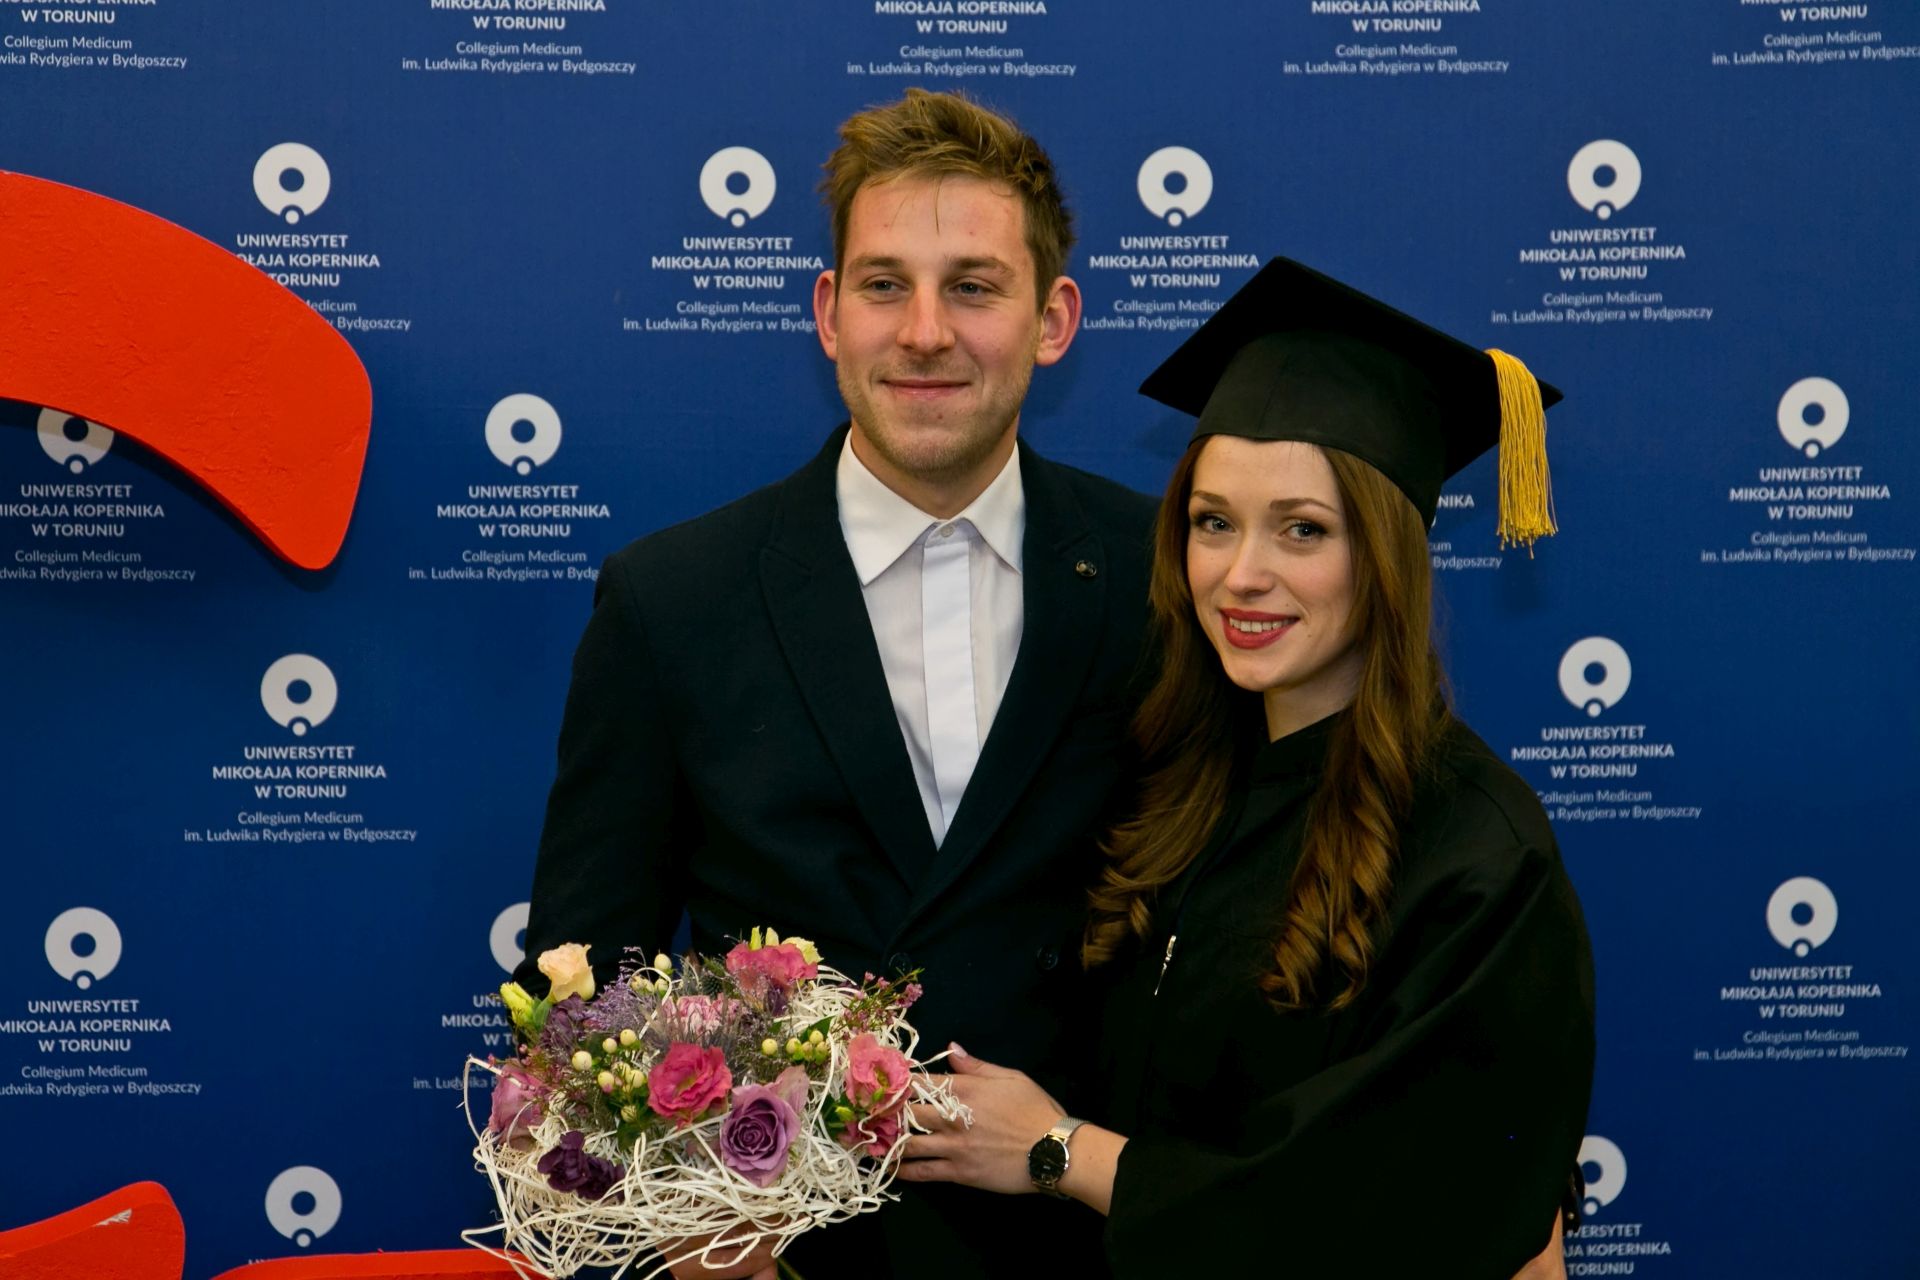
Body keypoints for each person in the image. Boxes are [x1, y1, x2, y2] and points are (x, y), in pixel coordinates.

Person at [513, 89, 1156, 1278]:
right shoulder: (674, 599)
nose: (925, 331)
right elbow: (578, 985)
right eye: (884, 284)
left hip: (1089, 1248)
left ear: (1053, 319)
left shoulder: (1164, 577)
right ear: (827, 312)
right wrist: (681, 1220)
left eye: (974, 286)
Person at [901, 258, 1597, 1279]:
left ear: (1386, 555)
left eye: (1303, 530)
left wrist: (1063, 1153)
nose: (1242, 574)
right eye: (1213, 521)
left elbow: (1394, 1200)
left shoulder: (1477, 850)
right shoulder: (1169, 782)